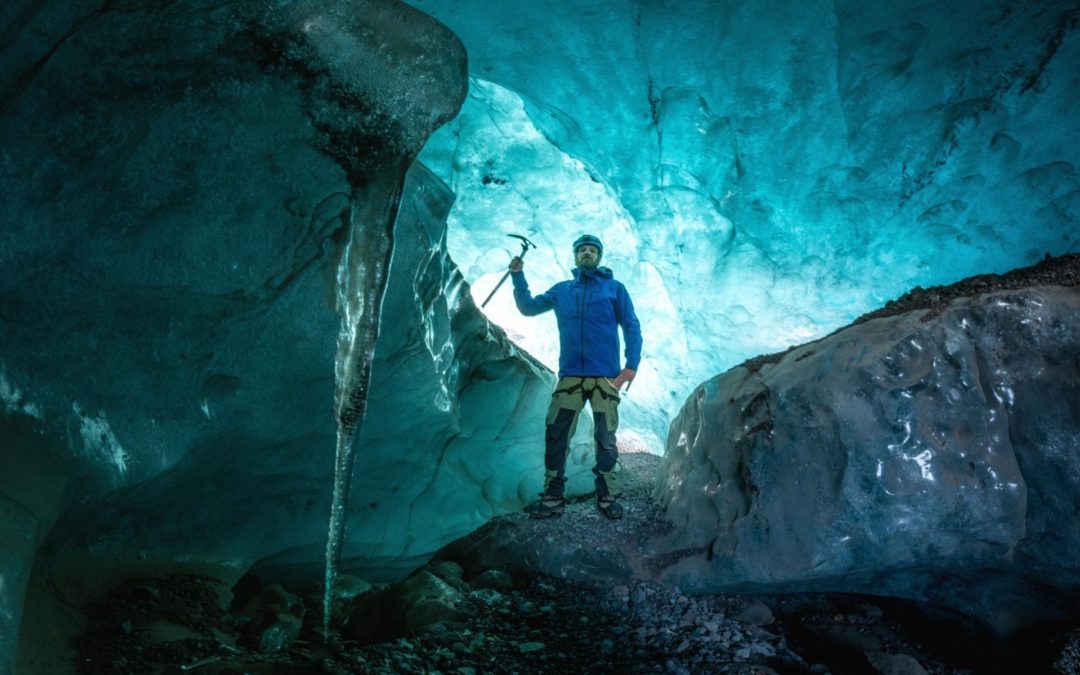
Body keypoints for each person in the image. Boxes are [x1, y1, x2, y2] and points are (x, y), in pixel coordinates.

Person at [508, 234, 642, 519]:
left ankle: (607, 496)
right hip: (570, 376)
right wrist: (518, 276)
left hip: (605, 377)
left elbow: (631, 325)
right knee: (556, 434)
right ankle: (553, 497)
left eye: (592, 250)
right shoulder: (562, 290)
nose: (587, 254)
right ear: (575, 255)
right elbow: (528, 307)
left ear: (599, 256)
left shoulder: (615, 289)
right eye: (582, 250)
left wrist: (631, 364)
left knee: (605, 437)